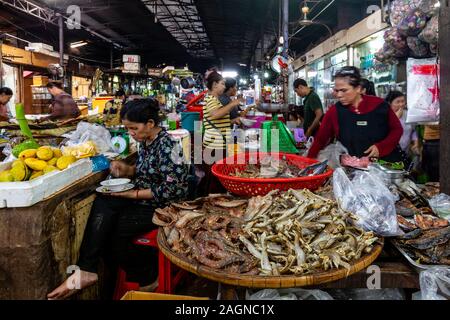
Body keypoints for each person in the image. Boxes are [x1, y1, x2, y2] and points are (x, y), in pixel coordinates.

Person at [47, 98, 189, 300]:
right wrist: (126, 169)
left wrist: (132, 194)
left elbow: (173, 190)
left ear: (149, 124)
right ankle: (86, 270)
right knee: (103, 200)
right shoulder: (147, 141)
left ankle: (148, 277)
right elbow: (144, 172)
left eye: (133, 128)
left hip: (165, 206)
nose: (130, 133)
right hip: (143, 199)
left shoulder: (169, 146)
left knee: (111, 231)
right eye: (127, 128)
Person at [308, 66, 403, 161]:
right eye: (336, 90)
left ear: (358, 88)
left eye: (344, 90)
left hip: (384, 167)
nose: (339, 95)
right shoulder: (334, 111)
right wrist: (307, 162)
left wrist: (381, 147)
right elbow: (320, 140)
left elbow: (397, 129)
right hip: (352, 170)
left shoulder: (379, 105)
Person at [200, 71, 243, 194]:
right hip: (214, 146)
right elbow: (216, 114)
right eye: (222, 84)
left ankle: (215, 200)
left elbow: (219, 119)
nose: (225, 87)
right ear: (214, 85)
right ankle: (213, 203)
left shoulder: (215, 100)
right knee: (215, 179)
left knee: (216, 178)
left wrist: (233, 120)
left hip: (219, 144)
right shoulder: (211, 99)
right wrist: (233, 103)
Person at [385, 91, 419, 156]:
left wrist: (415, 142)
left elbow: (413, 130)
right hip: (390, 154)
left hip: (405, 152)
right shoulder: (385, 116)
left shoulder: (408, 115)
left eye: (403, 101)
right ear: (390, 103)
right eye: (397, 102)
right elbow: (385, 132)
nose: (401, 104)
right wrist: (396, 118)